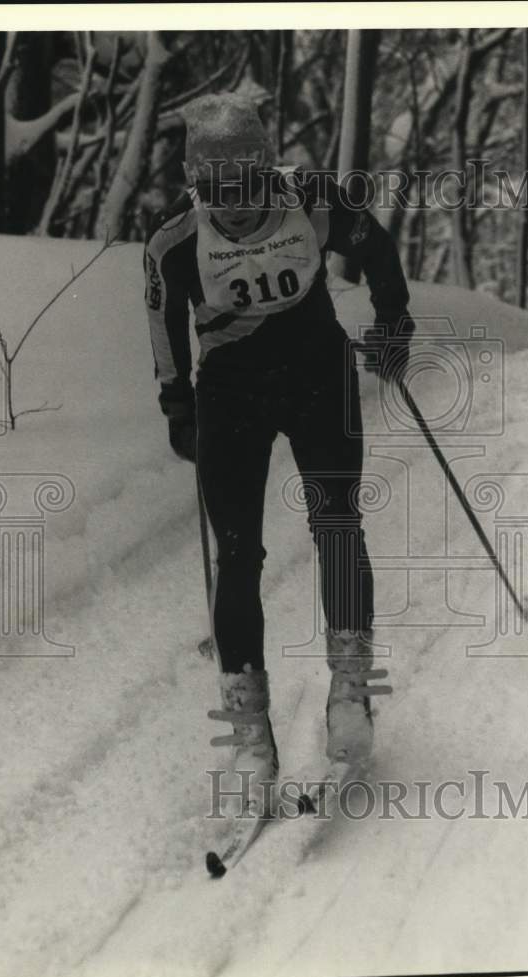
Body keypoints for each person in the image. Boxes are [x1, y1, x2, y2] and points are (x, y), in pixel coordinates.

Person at [144, 93, 414, 807]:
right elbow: (162, 324)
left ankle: (350, 691)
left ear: (267, 171)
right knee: (237, 553)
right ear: (196, 186)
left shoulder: (313, 200)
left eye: (246, 186)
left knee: (337, 523)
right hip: (230, 394)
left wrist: (393, 325)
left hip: (318, 377)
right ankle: (249, 733)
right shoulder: (174, 242)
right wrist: (176, 404)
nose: (233, 206)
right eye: (215, 191)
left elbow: (377, 250)